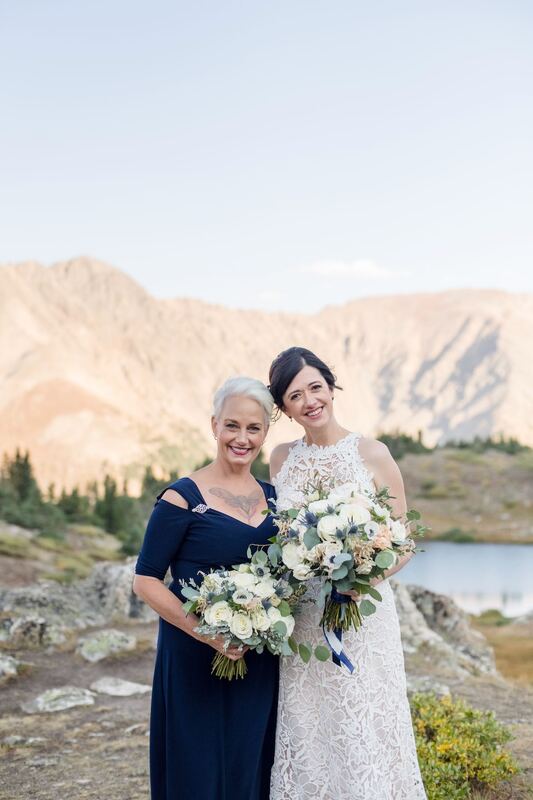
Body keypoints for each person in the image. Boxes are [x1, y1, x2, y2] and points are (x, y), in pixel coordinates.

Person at [267, 347, 427, 800]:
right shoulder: (281, 459)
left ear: (331, 387)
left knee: (362, 716)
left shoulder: (371, 453)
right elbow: (283, 537)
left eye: (316, 387)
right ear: (284, 407)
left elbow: (405, 538)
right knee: (309, 718)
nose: (310, 401)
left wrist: (361, 583)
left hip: (362, 613)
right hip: (303, 616)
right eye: (295, 395)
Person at [133, 377, 279, 800]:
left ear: (265, 433)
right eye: (232, 425)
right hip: (193, 650)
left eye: (253, 428)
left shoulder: (277, 498)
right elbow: (146, 581)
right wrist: (207, 632)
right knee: (196, 765)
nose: (242, 438)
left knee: (250, 760)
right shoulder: (181, 499)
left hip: (257, 654)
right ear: (214, 425)